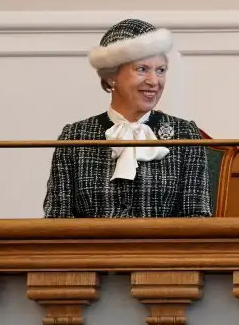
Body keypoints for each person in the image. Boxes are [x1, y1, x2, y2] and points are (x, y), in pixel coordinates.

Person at [43, 19, 212, 218]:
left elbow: (197, 220)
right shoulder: (75, 137)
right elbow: (57, 220)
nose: (154, 81)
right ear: (111, 75)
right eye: (142, 69)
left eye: (160, 70)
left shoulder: (185, 134)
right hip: (92, 249)